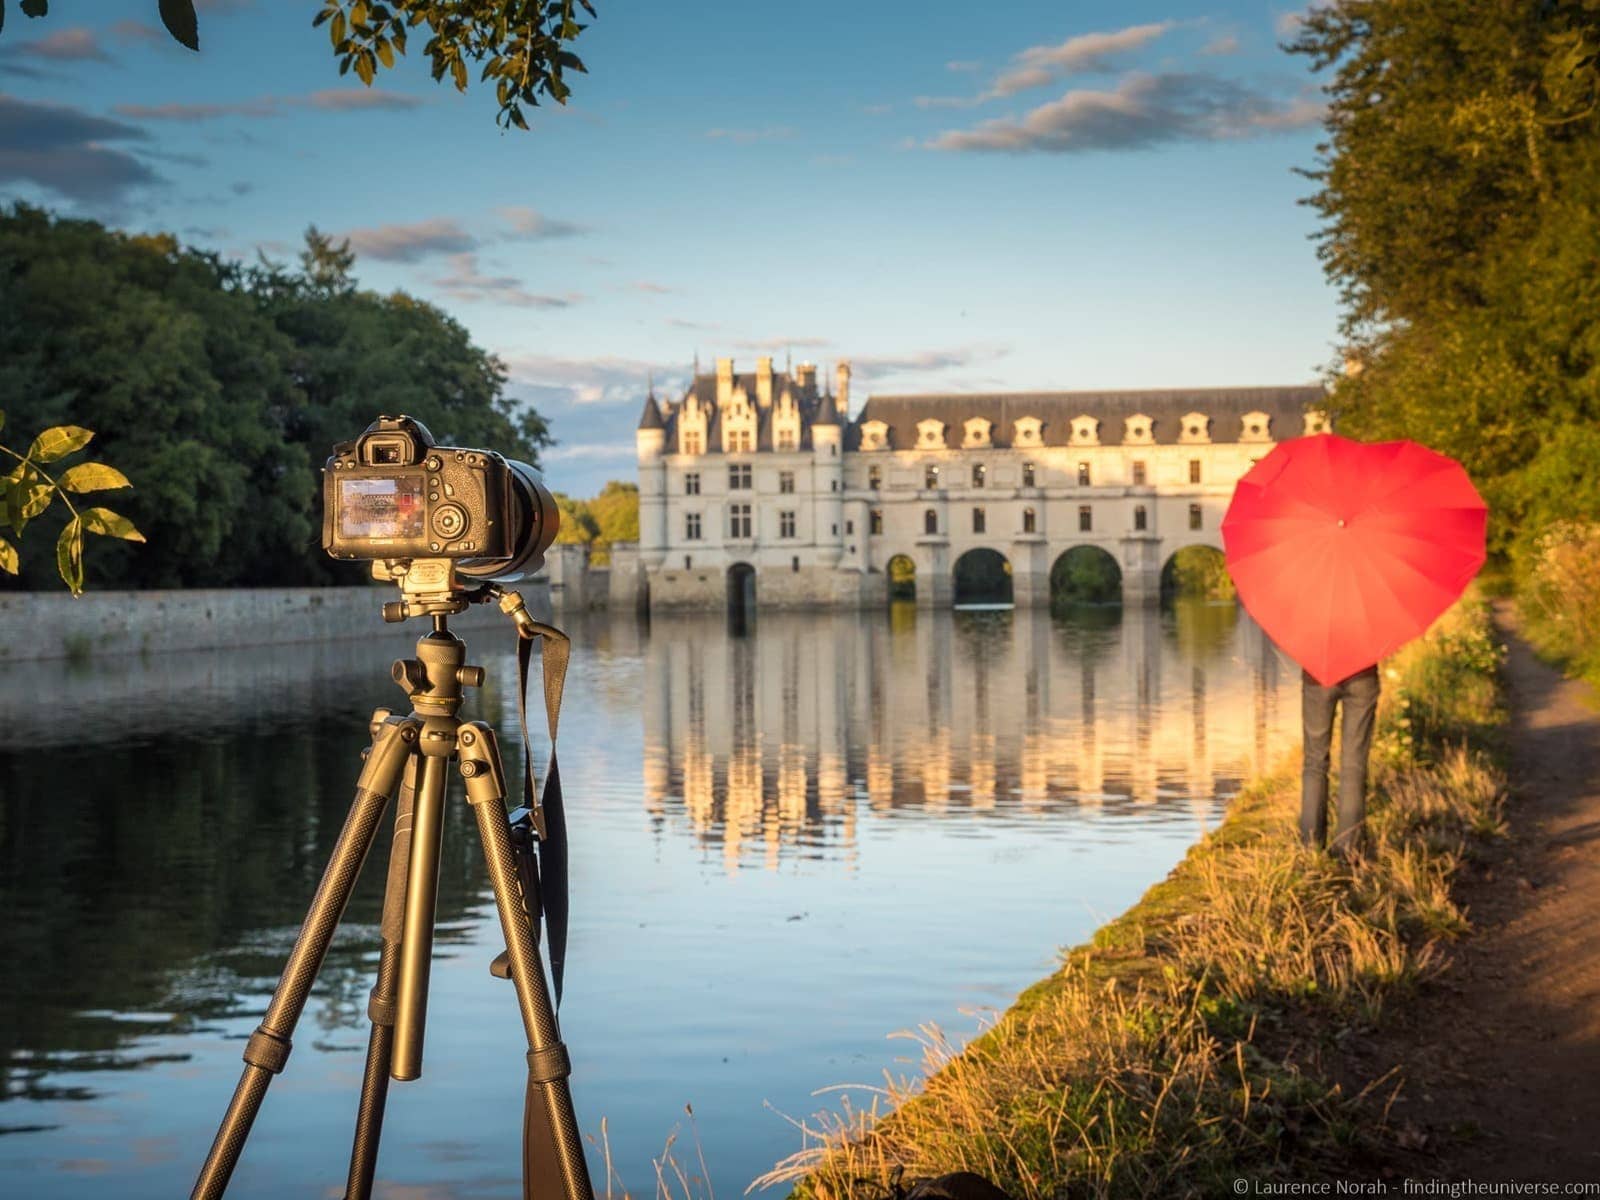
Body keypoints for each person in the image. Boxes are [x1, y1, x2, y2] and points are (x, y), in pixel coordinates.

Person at [1300, 663, 1381, 857]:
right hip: (1363, 674)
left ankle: (1310, 848)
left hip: (1317, 675)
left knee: (1314, 765)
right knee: (1354, 766)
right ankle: (1348, 849)